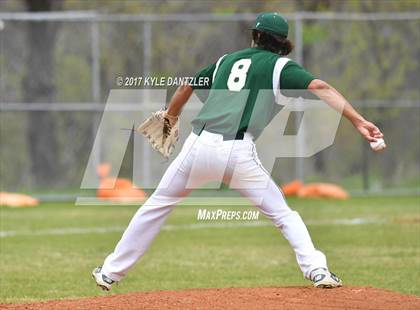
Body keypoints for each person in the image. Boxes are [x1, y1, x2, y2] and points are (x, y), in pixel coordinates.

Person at [92, 12, 384, 291]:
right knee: (284, 215)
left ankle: (110, 272)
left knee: (155, 206)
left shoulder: (225, 61)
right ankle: (317, 271)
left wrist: (170, 116)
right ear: (283, 42)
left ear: (255, 36)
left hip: (197, 146)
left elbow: (186, 86)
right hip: (237, 152)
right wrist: (359, 121)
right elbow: (320, 86)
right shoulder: (281, 67)